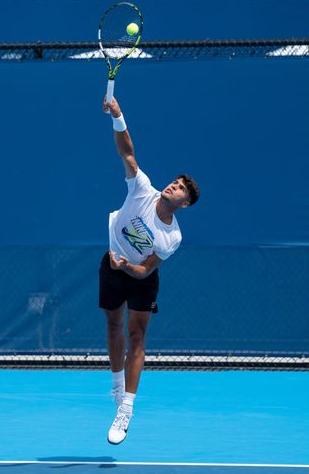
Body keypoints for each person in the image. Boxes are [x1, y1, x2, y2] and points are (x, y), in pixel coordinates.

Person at [100, 96, 199, 445]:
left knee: (137, 335)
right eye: (175, 182)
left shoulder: (172, 236)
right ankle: (115, 385)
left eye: (181, 189)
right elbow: (127, 152)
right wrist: (118, 115)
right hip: (112, 263)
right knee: (113, 325)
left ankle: (126, 409)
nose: (174, 186)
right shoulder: (142, 188)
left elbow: (146, 269)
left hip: (140, 276)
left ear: (184, 204)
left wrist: (130, 266)